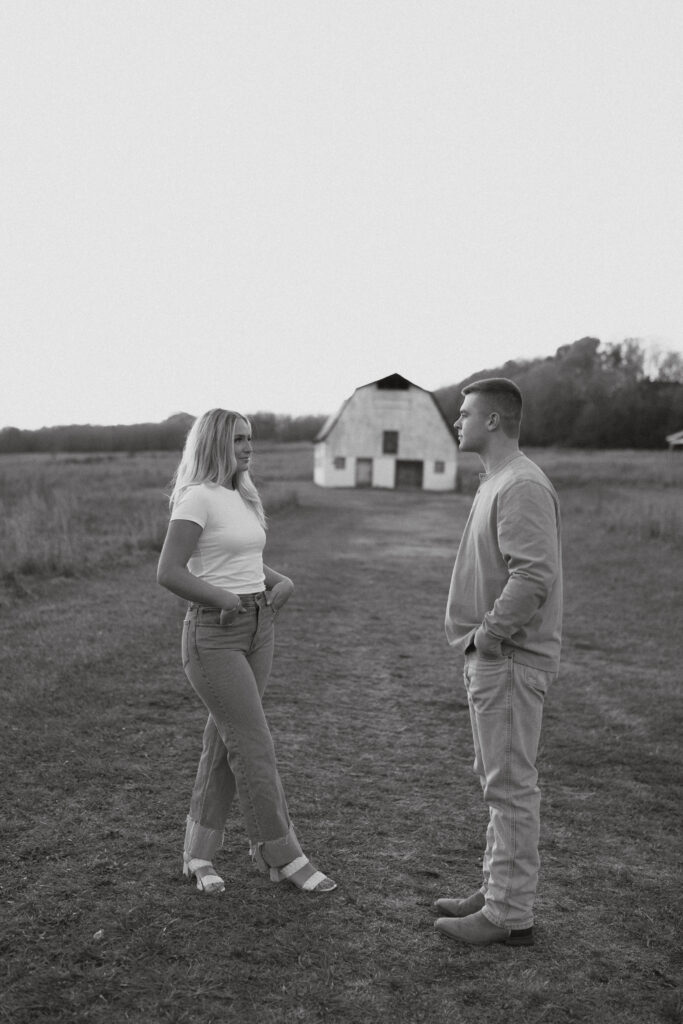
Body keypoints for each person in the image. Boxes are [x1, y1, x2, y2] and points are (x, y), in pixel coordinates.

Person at [157, 408, 336, 896]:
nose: (248, 446)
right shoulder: (196, 497)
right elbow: (170, 571)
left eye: (251, 438)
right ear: (215, 442)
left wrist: (279, 582)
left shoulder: (242, 494)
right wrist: (222, 598)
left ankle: (198, 854)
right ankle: (281, 855)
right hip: (214, 635)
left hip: (260, 627)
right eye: (239, 439)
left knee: (225, 745)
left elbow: (244, 559)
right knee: (254, 745)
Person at [434, 378, 562, 946]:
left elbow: (533, 574)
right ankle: (496, 889)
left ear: (492, 421)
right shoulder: (498, 480)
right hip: (495, 656)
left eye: (464, 414)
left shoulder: (521, 485)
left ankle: (508, 914)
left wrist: (488, 636)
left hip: (507, 657)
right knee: (499, 783)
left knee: (510, 787)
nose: (457, 421)